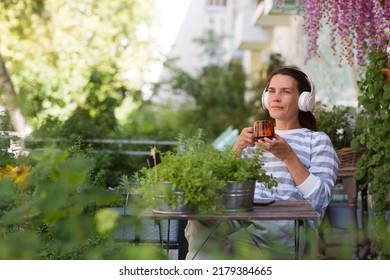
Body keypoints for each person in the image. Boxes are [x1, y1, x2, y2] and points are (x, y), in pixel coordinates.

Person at [184, 66, 339, 260]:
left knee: (223, 248)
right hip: (243, 217)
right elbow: (218, 187)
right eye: (271, 91)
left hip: (284, 224)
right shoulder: (253, 139)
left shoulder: (317, 141)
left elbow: (320, 200)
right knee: (201, 220)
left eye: (286, 92)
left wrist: (289, 157)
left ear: (303, 100)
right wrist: (237, 149)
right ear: (265, 98)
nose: (276, 98)